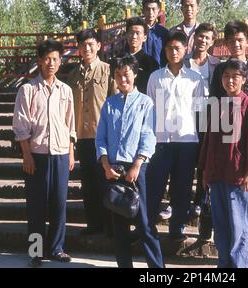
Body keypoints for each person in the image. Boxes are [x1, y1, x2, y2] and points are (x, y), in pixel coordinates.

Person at [96, 54, 164, 268]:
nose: (122, 79)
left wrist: (137, 164)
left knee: (144, 223)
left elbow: (148, 135)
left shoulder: (145, 103)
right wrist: (106, 165)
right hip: (113, 169)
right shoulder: (109, 103)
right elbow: (101, 137)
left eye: (126, 74)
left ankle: (157, 268)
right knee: (119, 226)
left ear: (135, 74)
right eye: (118, 75)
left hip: (137, 169)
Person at [13, 39, 76, 267]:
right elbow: (20, 126)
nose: (51, 63)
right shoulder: (27, 90)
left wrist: (70, 152)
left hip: (60, 154)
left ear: (61, 62)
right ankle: (36, 252)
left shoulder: (66, 90)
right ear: (39, 61)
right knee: (36, 206)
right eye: (47, 58)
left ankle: (57, 248)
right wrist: (26, 155)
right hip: (36, 154)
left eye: (55, 59)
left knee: (59, 204)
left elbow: (71, 125)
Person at [198, 59, 248, 268]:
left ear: (244, 79)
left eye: (235, 76)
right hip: (217, 175)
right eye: (226, 76)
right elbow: (209, 143)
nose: (229, 80)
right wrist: (205, 172)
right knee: (221, 226)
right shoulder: (218, 105)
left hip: (238, 177)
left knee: (239, 228)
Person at [146, 31, 205, 241]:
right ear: (165, 50)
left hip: (187, 141)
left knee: (182, 188)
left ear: (186, 50)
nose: (173, 52)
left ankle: (177, 227)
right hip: (160, 141)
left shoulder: (195, 79)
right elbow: (151, 110)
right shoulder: (155, 77)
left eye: (177, 48)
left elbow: (200, 112)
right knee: (155, 186)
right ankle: (148, 227)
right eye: (169, 48)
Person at [210, 20, 248, 216]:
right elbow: (213, 102)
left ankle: (247, 234)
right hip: (226, 136)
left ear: (247, 42)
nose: (236, 44)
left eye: (240, 40)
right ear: (226, 43)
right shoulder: (220, 71)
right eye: (231, 41)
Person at [67, 29, 115, 236]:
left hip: (103, 138)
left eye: (90, 44)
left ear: (98, 46)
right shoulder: (72, 75)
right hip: (83, 138)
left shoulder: (107, 71)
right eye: (82, 45)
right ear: (78, 48)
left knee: (106, 183)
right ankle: (93, 225)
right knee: (88, 185)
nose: (87, 48)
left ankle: (111, 227)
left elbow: (115, 104)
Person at [184, 23, 221, 241]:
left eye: (208, 38)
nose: (203, 41)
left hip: (211, 116)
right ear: (194, 37)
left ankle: (202, 202)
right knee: (189, 161)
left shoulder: (217, 64)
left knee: (206, 162)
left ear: (212, 41)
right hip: (186, 117)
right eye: (200, 36)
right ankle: (187, 202)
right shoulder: (184, 62)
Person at [116, 17, 159, 93]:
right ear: (126, 35)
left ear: (145, 37)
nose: (134, 37)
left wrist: (160, 104)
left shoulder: (151, 63)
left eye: (138, 33)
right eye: (131, 33)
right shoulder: (117, 60)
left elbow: (158, 89)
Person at [142, 0, 169, 67]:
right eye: (147, 9)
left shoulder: (164, 33)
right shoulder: (137, 32)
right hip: (140, 73)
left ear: (158, 10)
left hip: (159, 73)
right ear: (143, 11)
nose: (150, 12)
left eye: (153, 9)